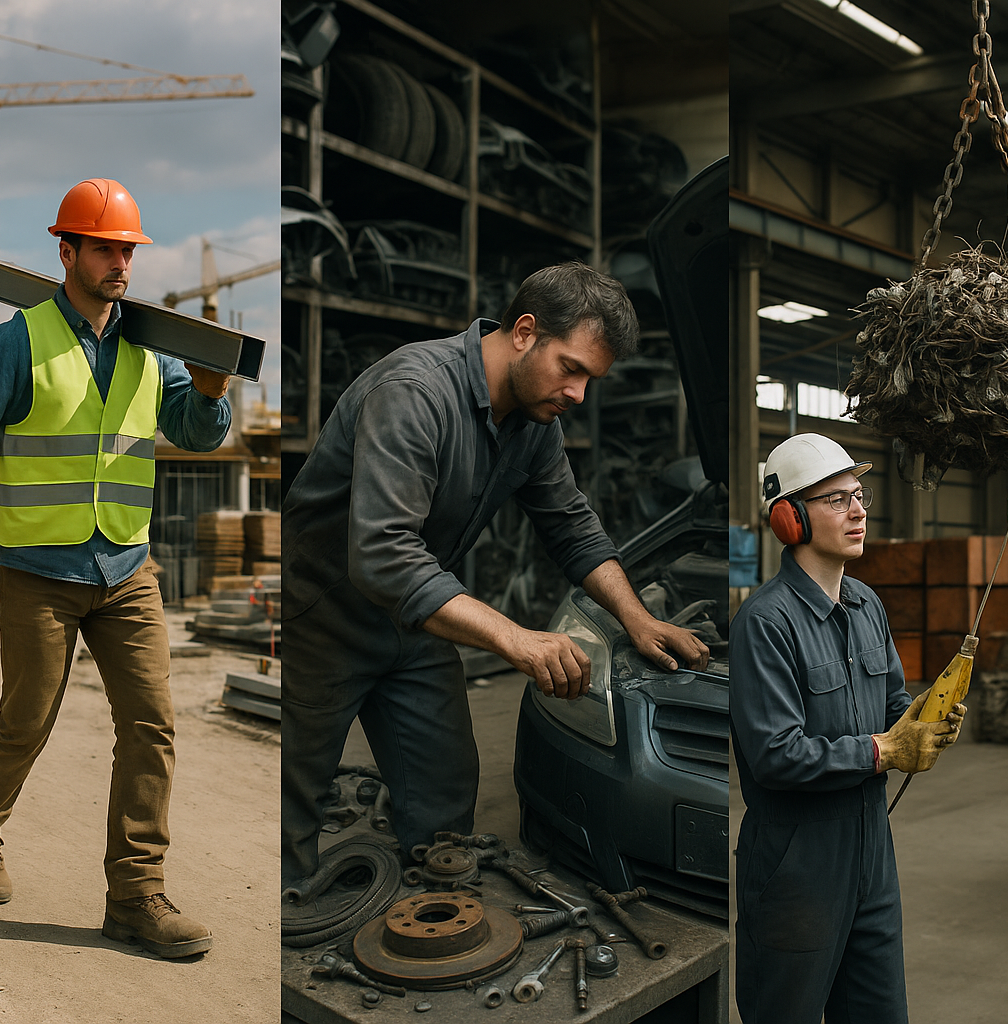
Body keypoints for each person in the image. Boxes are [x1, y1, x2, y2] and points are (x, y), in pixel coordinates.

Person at [282, 261, 711, 889]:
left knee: (444, 796)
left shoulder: (533, 423)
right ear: (524, 332)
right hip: (325, 616)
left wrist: (639, 619)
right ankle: (282, 934)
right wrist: (516, 638)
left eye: (591, 380)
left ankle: (430, 921)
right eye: (571, 369)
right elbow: (382, 554)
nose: (578, 395)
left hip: (418, 621)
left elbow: (572, 525)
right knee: (293, 803)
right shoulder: (414, 392)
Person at [0, 178, 232, 958]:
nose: (121, 262)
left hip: (127, 570)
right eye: (106, 248)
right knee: (25, 721)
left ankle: (135, 897)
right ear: (67, 252)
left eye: (128, 249)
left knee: (153, 726)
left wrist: (212, 394)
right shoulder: (17, 341)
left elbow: (196, 437)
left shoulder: (150, 350)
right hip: (37, 569)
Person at [729, 432, 966, 1023]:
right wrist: (886, 751)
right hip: (797, 865)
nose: (859, 511)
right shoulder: (765, 623)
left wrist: (926, 719)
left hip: (871, 856)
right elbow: (775, 756)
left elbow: (892, 706)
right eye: (837, 500)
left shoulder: (867, 604)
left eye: (858, 495)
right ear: (790, 519)